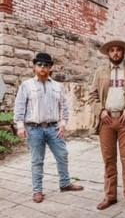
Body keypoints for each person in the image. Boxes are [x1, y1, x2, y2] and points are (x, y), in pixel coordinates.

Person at [14, 53, 84, 203]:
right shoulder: (26, 85)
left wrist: (63, 123)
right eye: (39, 65)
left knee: (62, 155)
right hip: (34, 129)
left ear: (51, 67)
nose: (42, 68)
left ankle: (65, 183)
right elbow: (19, 106)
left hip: (54, 128)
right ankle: (37, 191)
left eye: (46, 65)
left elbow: (64, 107)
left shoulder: (57, 86)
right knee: (37, 160)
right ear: (34, 66)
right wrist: (20, 126)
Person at [88, 40, 125, 212]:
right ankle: (110, 196)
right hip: (106, 122)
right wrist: (101, 110)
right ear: (108, 53)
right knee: (109, 159)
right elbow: (92, 96)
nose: (115, 53)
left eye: (118, 50)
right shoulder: (100, 73)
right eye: (112, 50)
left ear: (123, 53)